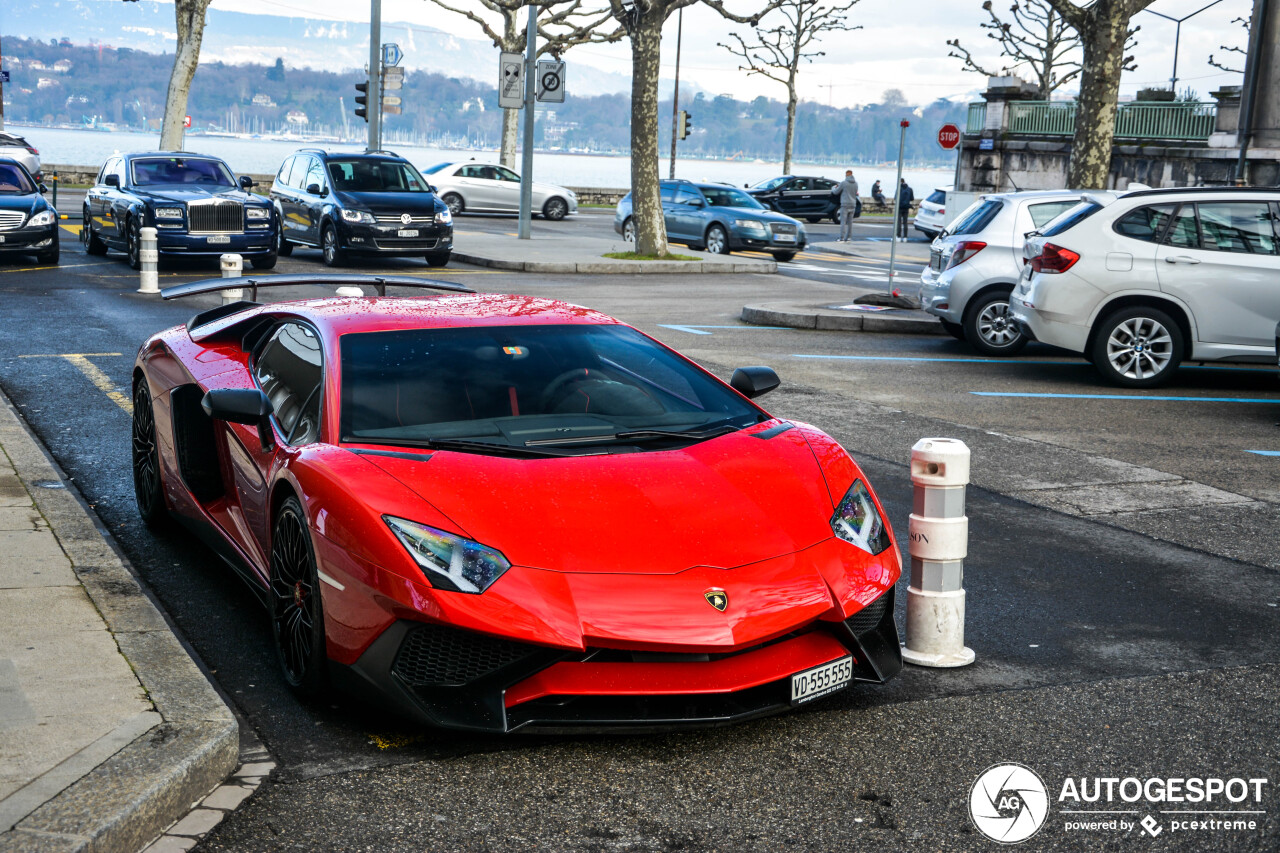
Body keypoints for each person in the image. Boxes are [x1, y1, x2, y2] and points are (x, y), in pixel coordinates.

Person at [834, 169, 859, 242]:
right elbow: (855, 193)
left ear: (847, 175)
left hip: (845, 204)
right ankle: (849, 237)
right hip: (853, 204)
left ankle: (841, 237)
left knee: (843, 222)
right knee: (850, 222)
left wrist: (833, 188)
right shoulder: (856, 183)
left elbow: (836, 192)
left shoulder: (844, 183)